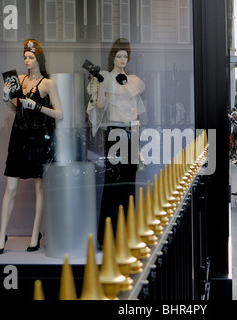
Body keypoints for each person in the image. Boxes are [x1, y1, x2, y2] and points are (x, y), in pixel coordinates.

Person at [0, 39, 63, 254]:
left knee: (39, 187)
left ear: (39, 58)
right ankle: (1, 235)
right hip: (18, 136)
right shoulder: (20, 80)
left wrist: (38, 106)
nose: (27, 60)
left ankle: (35, 235)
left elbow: (60, 114)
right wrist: (6, 98)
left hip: (36, 139)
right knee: (11, 187)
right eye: (25, 57)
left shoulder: (47, 83)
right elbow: (16, 110)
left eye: (31, 57)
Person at [89, 38, 146, 246]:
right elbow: (101, 105)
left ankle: (127, 235)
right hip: (114, 132)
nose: (122, 59)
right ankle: (107, 237)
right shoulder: (105, 77)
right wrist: (102, 84)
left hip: (131, 132)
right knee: (113, 182)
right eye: (118, 55)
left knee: (129, 183)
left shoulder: (133, 81)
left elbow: (136, 110)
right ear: (112, 57)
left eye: (125, 56)